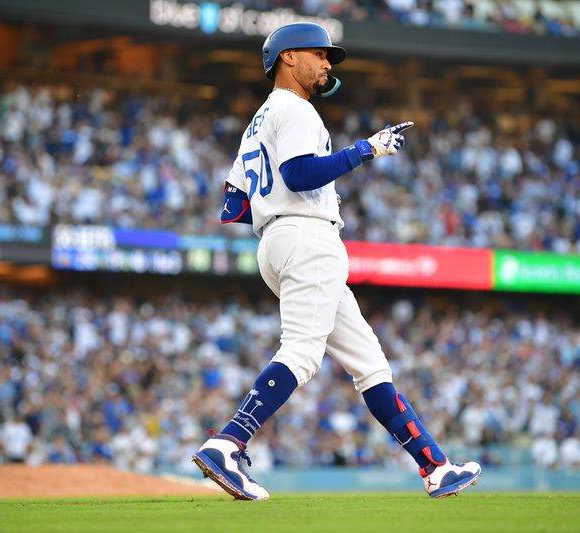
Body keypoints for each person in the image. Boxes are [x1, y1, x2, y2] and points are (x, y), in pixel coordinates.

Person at [193, 22, 481, 500]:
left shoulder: (263, 117)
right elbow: (300, 174)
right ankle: (228, 443)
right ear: (287, 58)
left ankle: (436, 466)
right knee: (303, 353)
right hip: (306, 237)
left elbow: (236, 202)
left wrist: (281, 229)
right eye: (318, 54)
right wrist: (365, 149)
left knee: (370, 364)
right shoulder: (296, 108)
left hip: (281, 237)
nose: (327, 63)